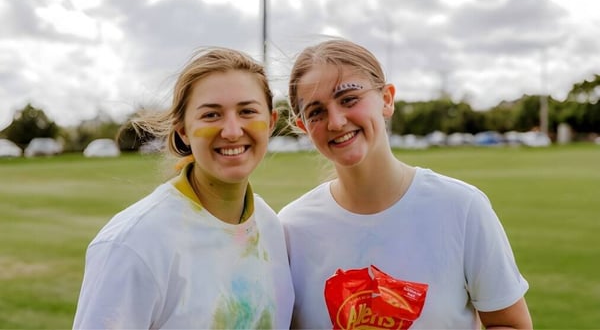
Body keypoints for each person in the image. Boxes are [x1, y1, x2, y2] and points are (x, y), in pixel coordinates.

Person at [279, 38, 532, 329]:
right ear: (303, 127)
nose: (335, 122)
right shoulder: (290, 228)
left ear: (386, 99)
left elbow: (510, 323)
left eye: (349, 99)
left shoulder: (462, 208)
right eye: (316, 112)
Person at [73, 47, 294, 329]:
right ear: (183, 131)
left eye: (247, 111)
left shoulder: (270, 226)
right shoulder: (133, 243)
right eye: (211, 115)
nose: (232, 130)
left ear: (271, 123)